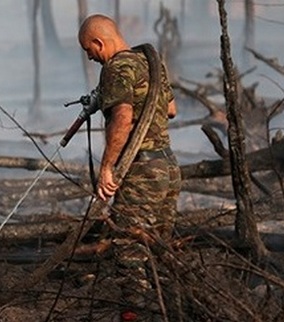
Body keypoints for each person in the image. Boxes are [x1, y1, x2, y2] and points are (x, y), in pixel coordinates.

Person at [77, 14, 182, 321]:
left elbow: (123, 119)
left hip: (141, 172)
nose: (89, 57)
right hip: (168, 168)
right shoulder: (151, 61)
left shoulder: (116, 67)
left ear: (99, 42)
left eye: (89, 50)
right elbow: (172, 109)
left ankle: (132, 316)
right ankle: (170, 311)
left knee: (128, 247)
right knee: (160, 248)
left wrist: (107, 167)